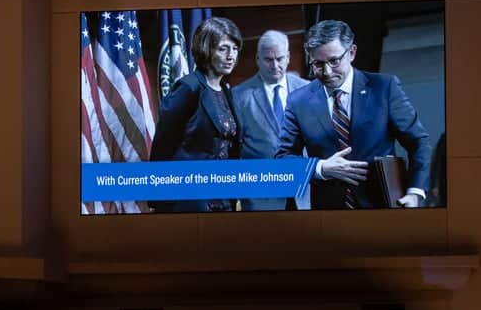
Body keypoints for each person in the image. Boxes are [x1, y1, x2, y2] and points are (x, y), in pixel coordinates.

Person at [276, 19, 431, 210]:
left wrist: (415, 192)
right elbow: (283, 159)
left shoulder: (384, 88)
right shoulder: (297, 101)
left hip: (383, 206)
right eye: (318, 63)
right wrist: (320, 168)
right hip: (328, 214)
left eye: (334, 61)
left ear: (351, 53)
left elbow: (419, 143)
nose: (326, 71)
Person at [149, 16, 246, 213]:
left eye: (235, 49)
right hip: (189, 199)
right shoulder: (188, 87)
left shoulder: (226, 91)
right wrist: (156, 197)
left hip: (224, 196)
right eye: (223, 49)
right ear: (206, 50)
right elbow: (163, 145)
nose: (231, 56)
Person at [230, 29, 311, 210]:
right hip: (261, 198)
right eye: (268, 60)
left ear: (288, 57)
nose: (275, 65)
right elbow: (235, 149)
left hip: (304, 194)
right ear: (258, 59)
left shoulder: (308, 89)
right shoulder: (239, 96)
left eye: (280, 59)